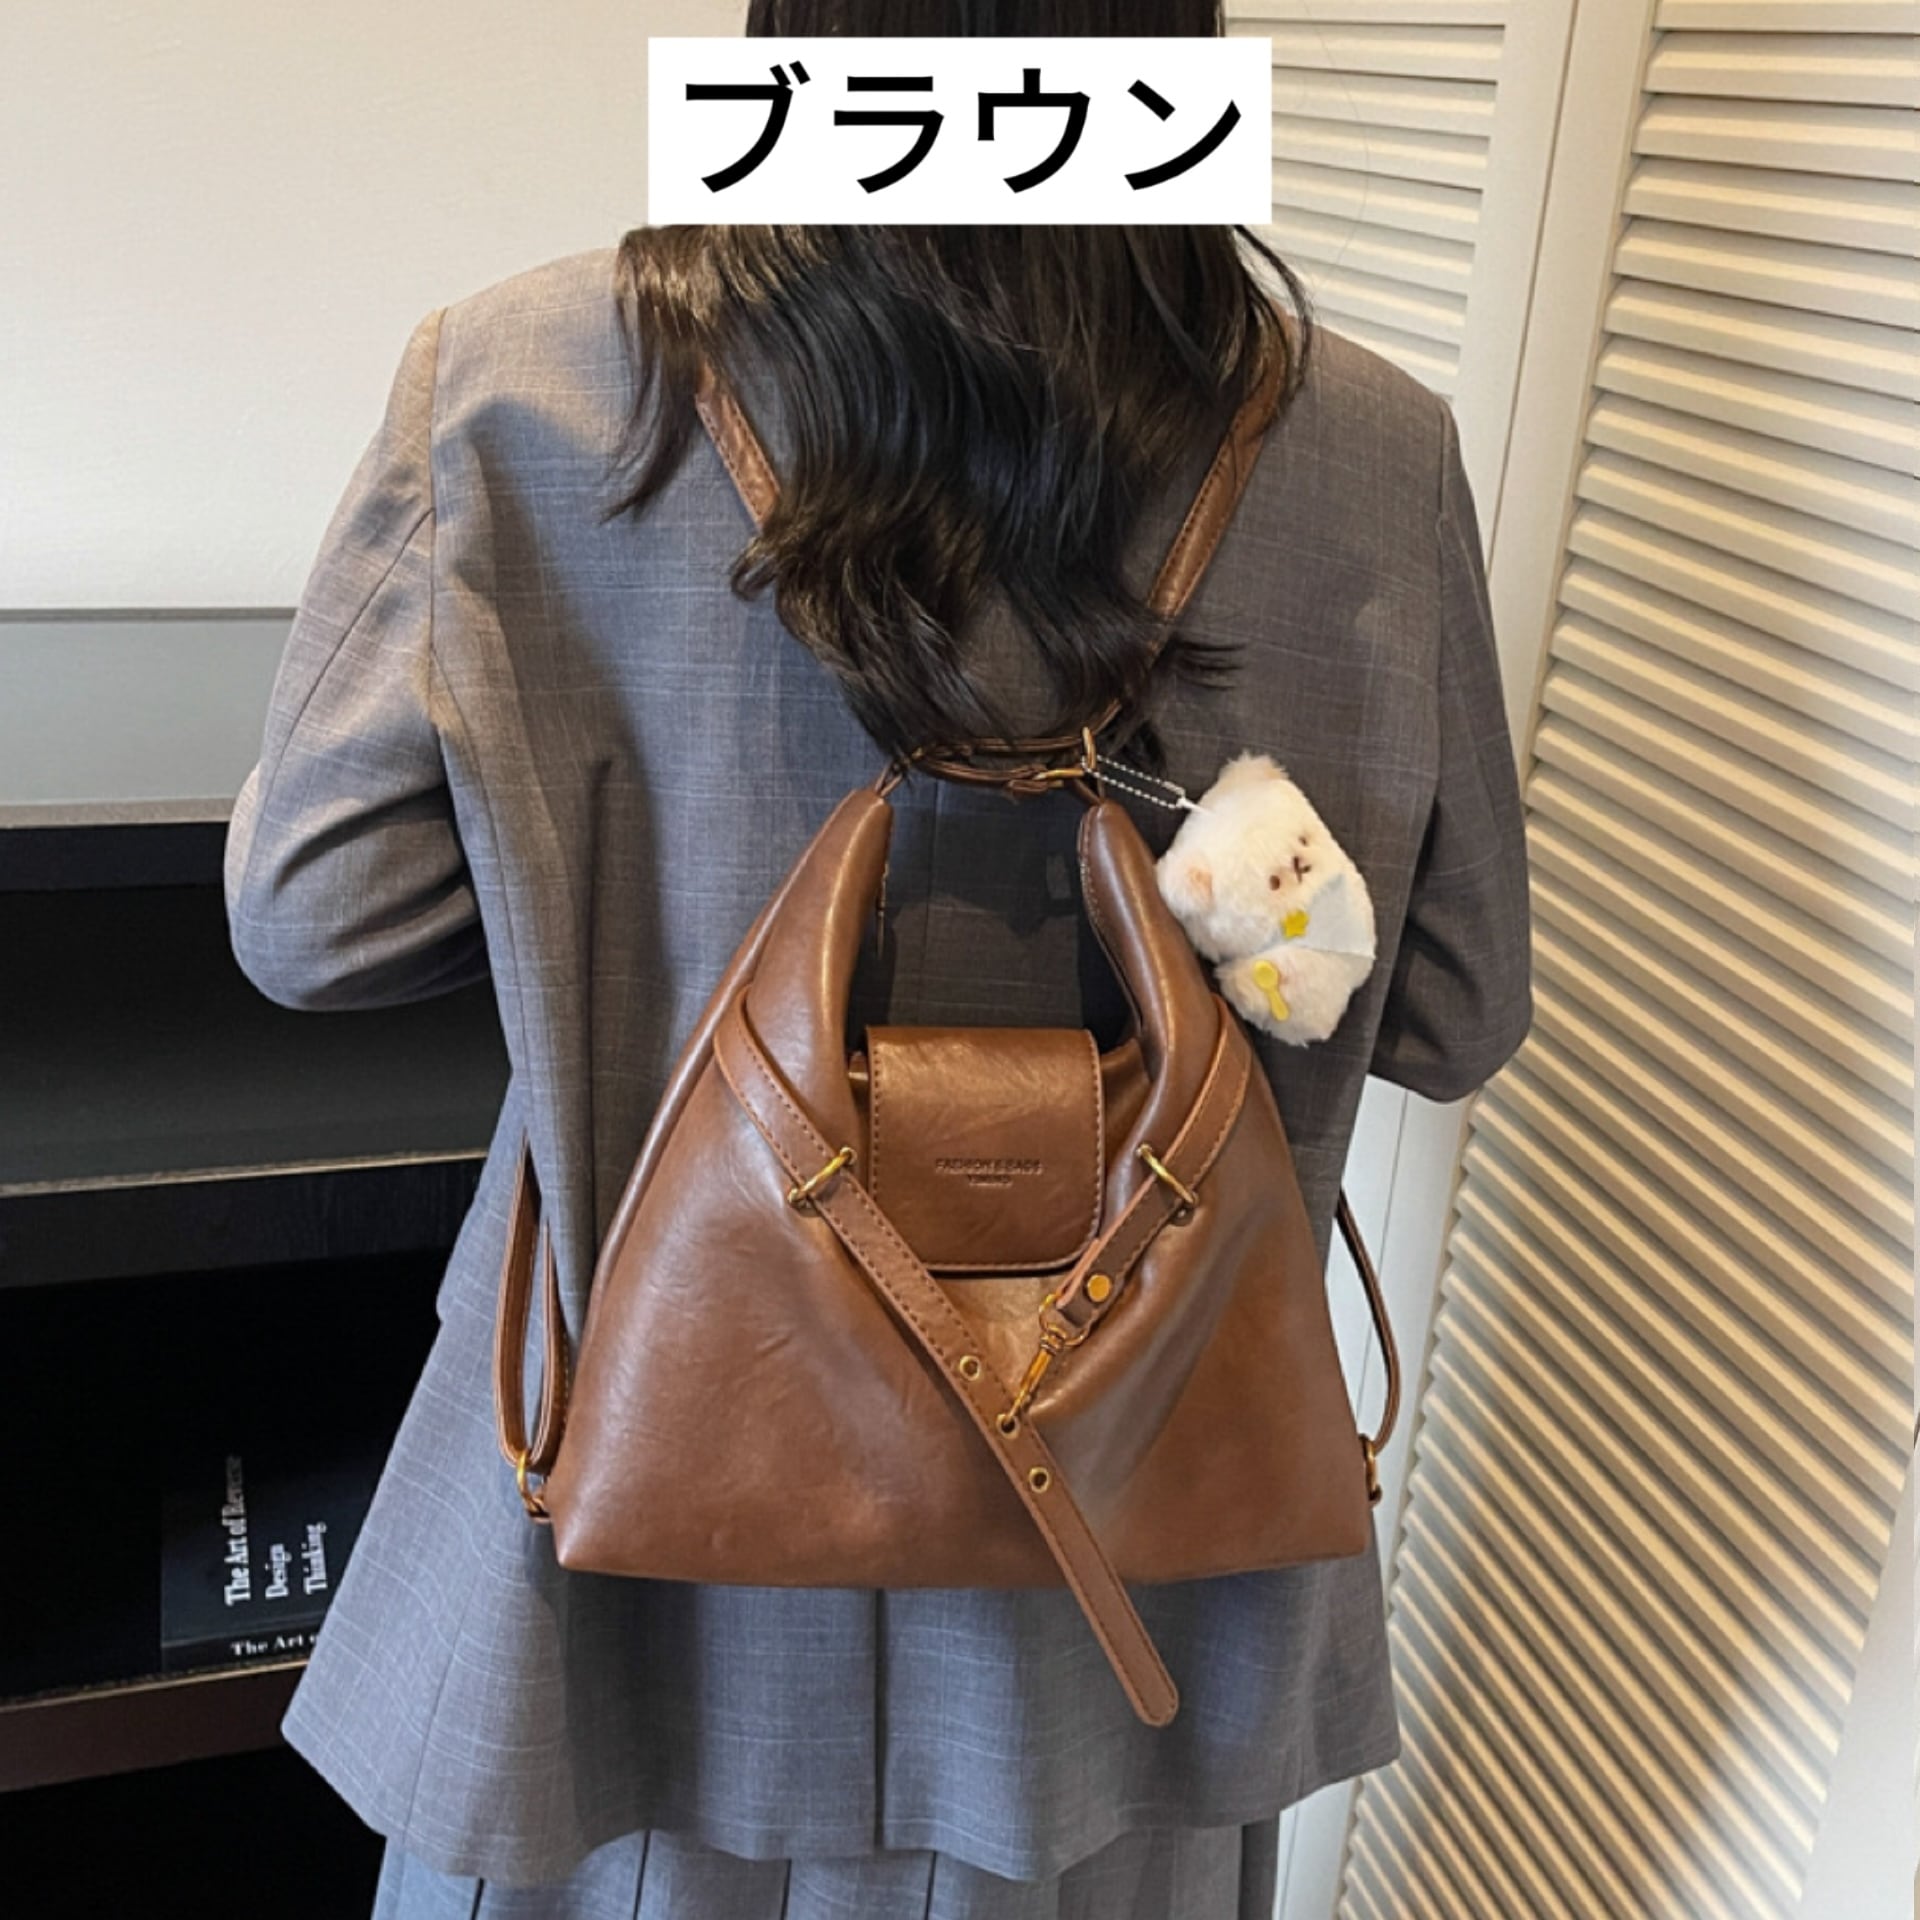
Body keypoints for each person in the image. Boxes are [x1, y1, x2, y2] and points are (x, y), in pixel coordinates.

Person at [222, 5, 1533, 1913]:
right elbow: (1449, 1010)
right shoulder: (1372, 451)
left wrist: (612, 869)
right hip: (1133, 1594)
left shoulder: (515, 384)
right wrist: (1204, 838)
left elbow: (317, 922)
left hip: (630, 1582)